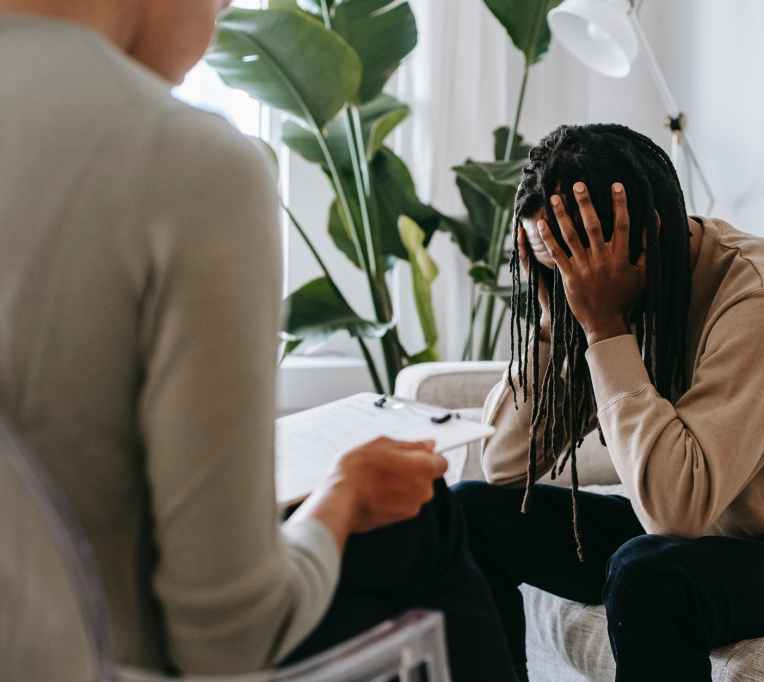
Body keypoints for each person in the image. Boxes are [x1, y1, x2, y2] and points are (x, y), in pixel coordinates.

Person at [0, 1, 515, 679]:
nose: (221, 16)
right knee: (424, 525)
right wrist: (344, 496)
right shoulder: (184, 161)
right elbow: (227, 639)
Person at [453, 123, 764, 682]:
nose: (570, 282)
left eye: (575, 264)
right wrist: (549, 323)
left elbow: (676, 511)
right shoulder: (604, 286)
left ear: (651, 234)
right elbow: (505, 466)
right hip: (703, 537)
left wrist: (604, 327)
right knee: (466, 514)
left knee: (648, 574)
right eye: (551, 264)